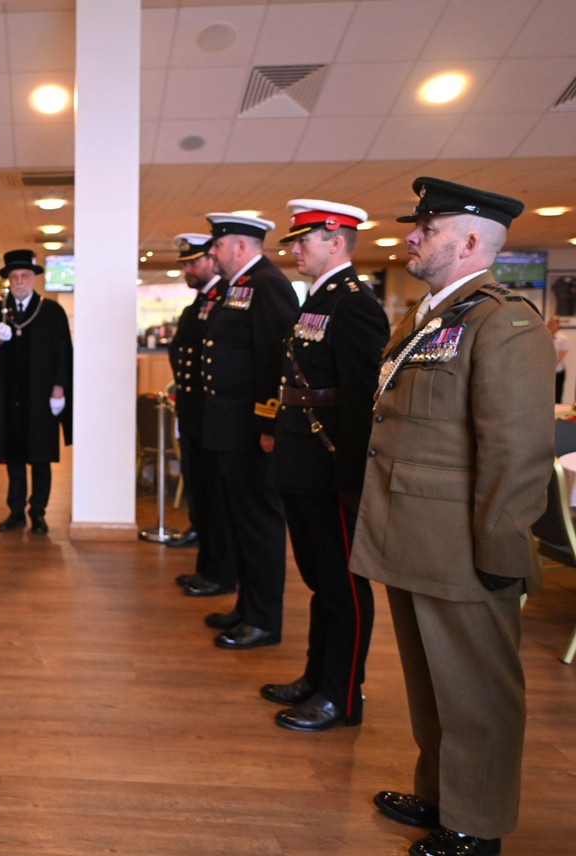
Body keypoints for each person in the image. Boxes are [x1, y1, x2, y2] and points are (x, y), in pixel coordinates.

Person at [352, 178, 551, 856]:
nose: (412, 235)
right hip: (413, 538)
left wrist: (499, 553)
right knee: (431, 684)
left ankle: (477, 824)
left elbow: (517, 449)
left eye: (427, 228)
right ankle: (440, 793)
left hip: (466, 548)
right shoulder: (433, 319)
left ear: (468, 242)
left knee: (477, 696)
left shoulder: (504, 321)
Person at [260, 200, 389, 731]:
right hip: (302, 460)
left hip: (332, 465)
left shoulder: (354, 303)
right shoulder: (316, 300)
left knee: (343, 585)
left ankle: (342, 695)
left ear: (336, 241)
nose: (294, 249)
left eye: (303, 239)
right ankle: (317, 677)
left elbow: (362, 398)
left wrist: (353, 477)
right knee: (319, 580)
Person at [197, 213, 299, 646]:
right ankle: (246, 606)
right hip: (229, 427)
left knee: (259, 523)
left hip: (251, 429)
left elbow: (277, 362)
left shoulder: (267, 284)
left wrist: (268, 421)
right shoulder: (241, 286)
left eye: (217, 246)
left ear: (239, 247)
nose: (212, 254)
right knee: (241, 520)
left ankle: (264, 619)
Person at [0, 248, 73, 536]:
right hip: (9, 399)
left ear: (33, 279)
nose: (19, 281)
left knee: (41, 457)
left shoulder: (51, 311)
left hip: (41, 398)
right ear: (8, 280)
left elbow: (63, 354)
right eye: (14, 277)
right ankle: (16, 511)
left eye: (25, 276)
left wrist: (58, 390)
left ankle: (39, 513)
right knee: (14, 458)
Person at [168, 233, 237, 604]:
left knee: (217, 498)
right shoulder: (202, 302)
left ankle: (219, 571)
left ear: (212, 260)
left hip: (214, 415)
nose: (188, 269)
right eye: (184, 264)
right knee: (201, 491)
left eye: (193, 262)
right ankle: (207, 566)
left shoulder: (227, 297)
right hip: (195, 413)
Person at [549, 315, 568, 403]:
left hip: (558, 371)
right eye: (550, 323)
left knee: (557, 395)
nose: (550, 325)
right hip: (547, 372)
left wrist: (551, 364)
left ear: (557, 325)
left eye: (553, 323)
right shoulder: (545, 337)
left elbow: (561, 355)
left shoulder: (562, 338)